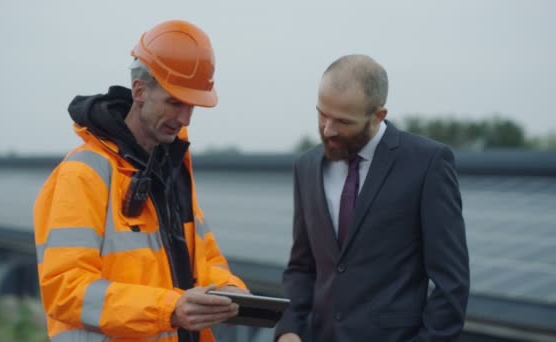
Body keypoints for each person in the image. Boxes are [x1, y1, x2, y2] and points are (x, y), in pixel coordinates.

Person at [33, 20, 248, 342]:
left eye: (191, 105)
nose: (185, 118)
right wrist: (169, 309)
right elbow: (67, 289)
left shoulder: (173, 169)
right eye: (175, 102)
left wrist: (230, 291)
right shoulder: (82, 174)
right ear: (139, 91)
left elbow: (204, 261)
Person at [275, 55, 470, 341]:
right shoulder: (305, 166)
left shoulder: (428, 164)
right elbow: (302, 267)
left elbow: (451, 284)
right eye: (322, 114)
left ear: (378, 116)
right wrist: (289, 329)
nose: (328, 130)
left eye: (342, 121)